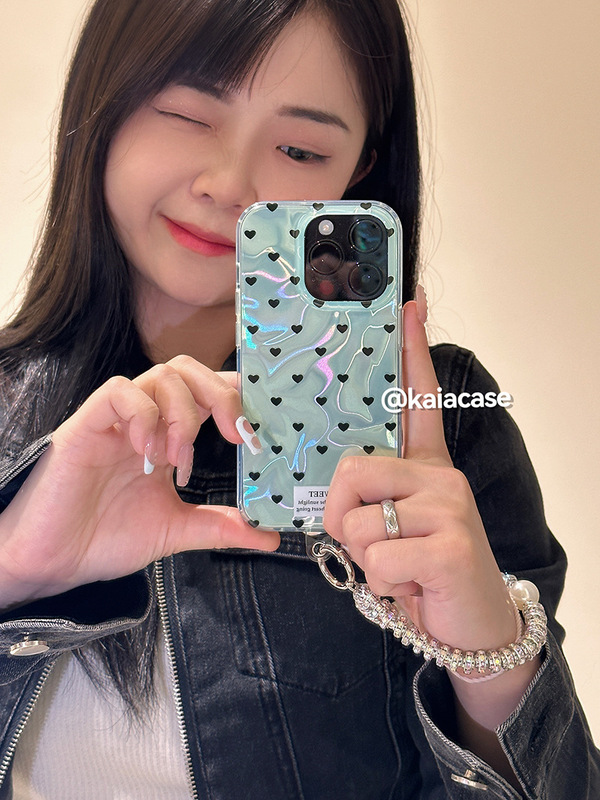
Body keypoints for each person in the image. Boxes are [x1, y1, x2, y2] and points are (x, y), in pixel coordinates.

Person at [0, 0, 597, 797]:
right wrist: (14, 568)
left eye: (300, 148)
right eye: (186, 113)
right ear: (104, 102)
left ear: (358, 173)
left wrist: (491, 665)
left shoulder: (443, 432)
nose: (228, 185)